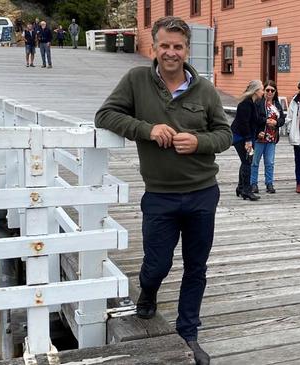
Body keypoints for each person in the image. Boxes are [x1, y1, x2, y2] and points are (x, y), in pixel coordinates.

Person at [94, 16, 232, 365]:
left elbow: (225, 135)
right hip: (160, 194)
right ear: (154, 48)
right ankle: (148, 293)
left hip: (203, 192)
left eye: (178, 46)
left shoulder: (205, 90)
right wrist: (147, 129)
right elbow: (105, 115)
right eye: (165, 46)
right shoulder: (137, 80)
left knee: (196, 267)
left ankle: (188, 334)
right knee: (156, 264)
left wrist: (199, 142)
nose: (171, 53)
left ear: (187, 50)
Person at [251, 80, 286, 194]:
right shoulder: (258, 103)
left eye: (272, 90)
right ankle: (253, 184)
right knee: (255, 162)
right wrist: (265, 121)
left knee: (269, 162)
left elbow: (282, 119)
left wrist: (276, 123)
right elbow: (255, 118)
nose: (270, 92)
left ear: (275, 92)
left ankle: (269, 183)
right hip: (259, 136)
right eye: (267, 90)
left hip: (272, 138)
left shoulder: (277, 104)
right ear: (264, 90)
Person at [231, 80, 264, 201]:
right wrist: (248, 140)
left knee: (245, 161)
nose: (263, 92)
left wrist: (265, 122)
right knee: (247, 162)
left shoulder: (254, 103)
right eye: (262, 89)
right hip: (240, 137)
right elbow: (244, 123)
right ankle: (246, 190)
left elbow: (255, 120)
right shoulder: (245, 104)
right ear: (255, 91)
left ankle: (241, 188)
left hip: (247, 136)